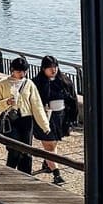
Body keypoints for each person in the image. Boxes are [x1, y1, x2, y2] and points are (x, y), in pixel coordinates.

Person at [0, 57, 50, 175]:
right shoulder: (2, 84)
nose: (22, 74)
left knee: (27, 150)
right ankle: (10, 173)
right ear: (12, 70)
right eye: (19, 71)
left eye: (24, 71)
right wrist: (7, 102)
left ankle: (26, 175)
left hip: (26, 120)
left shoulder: (29, 84)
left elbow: (37, 105)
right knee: (14, 148)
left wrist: (45, 125)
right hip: (10, 119)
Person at [32, 55, 77, 187]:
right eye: (50, 68)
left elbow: (72, 99)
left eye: (55, 67)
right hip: (44, 117)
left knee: (54, 144)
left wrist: (72, 118)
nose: (53, 70)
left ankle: (48, 163)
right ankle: (57, 174)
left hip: (60, 117)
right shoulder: (37, 83)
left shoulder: (64, 81)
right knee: (49, 146)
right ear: (43, 68)